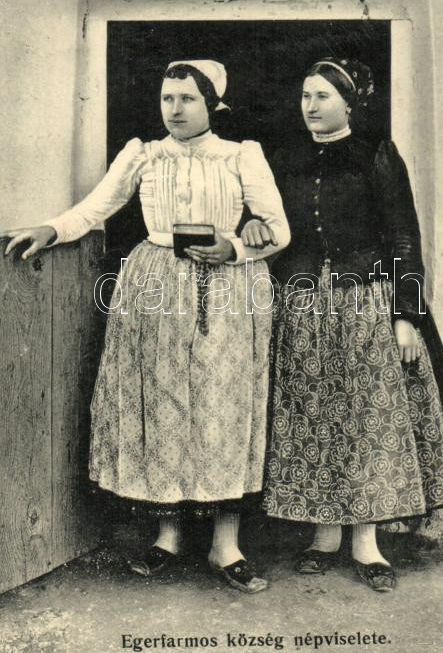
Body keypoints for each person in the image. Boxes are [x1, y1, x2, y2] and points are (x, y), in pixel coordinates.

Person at [4, 59, 290, 594]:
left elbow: (279, 230)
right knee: (164, 405)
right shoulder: (144, 154)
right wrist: (51, 229)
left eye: (187, 99)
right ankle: (168, 537)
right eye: (167, 98)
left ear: (212, 104)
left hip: (228, 291)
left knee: (224, 406)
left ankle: (226, 545)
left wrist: (232, 246)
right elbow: (95, 208)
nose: (175, 109)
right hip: (155, 283)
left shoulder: (240, 155)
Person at [243, 56, 443, 592]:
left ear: (349, 103)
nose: (311, 106)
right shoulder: (283, 158)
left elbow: (403, 236)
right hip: (302, 307)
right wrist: (255, 225)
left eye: (323, 96)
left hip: (366, 306)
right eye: (305, 95)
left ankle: (366, 542)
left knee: (367, 420)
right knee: (311, 417)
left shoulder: (375, 154)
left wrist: (406, 317)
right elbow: (263, 218)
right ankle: (323, 536)